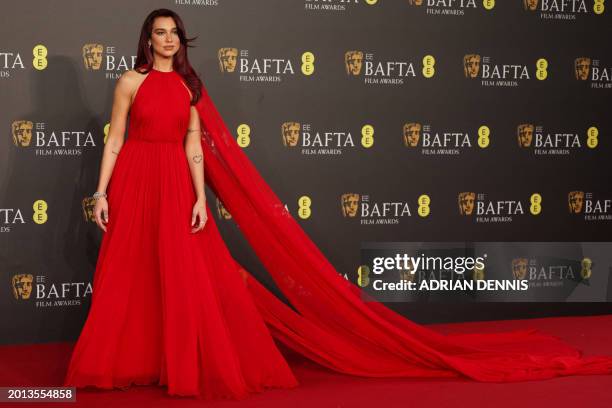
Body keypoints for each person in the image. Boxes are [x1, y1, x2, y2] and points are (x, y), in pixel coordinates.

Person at [64, 8, 612, 401]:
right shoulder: (129, 82)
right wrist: (100, 192)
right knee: (131, 274)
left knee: (184, 278)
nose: (166, 40)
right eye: (158, 33)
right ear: (146, 39)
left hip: (177, 184)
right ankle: (128, 363)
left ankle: (177, 365)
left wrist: (201, 199)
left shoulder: (190, 88)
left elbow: (192, 147)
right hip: (136, 180)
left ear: (182, 41)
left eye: (173, 33)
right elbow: (114, 139)